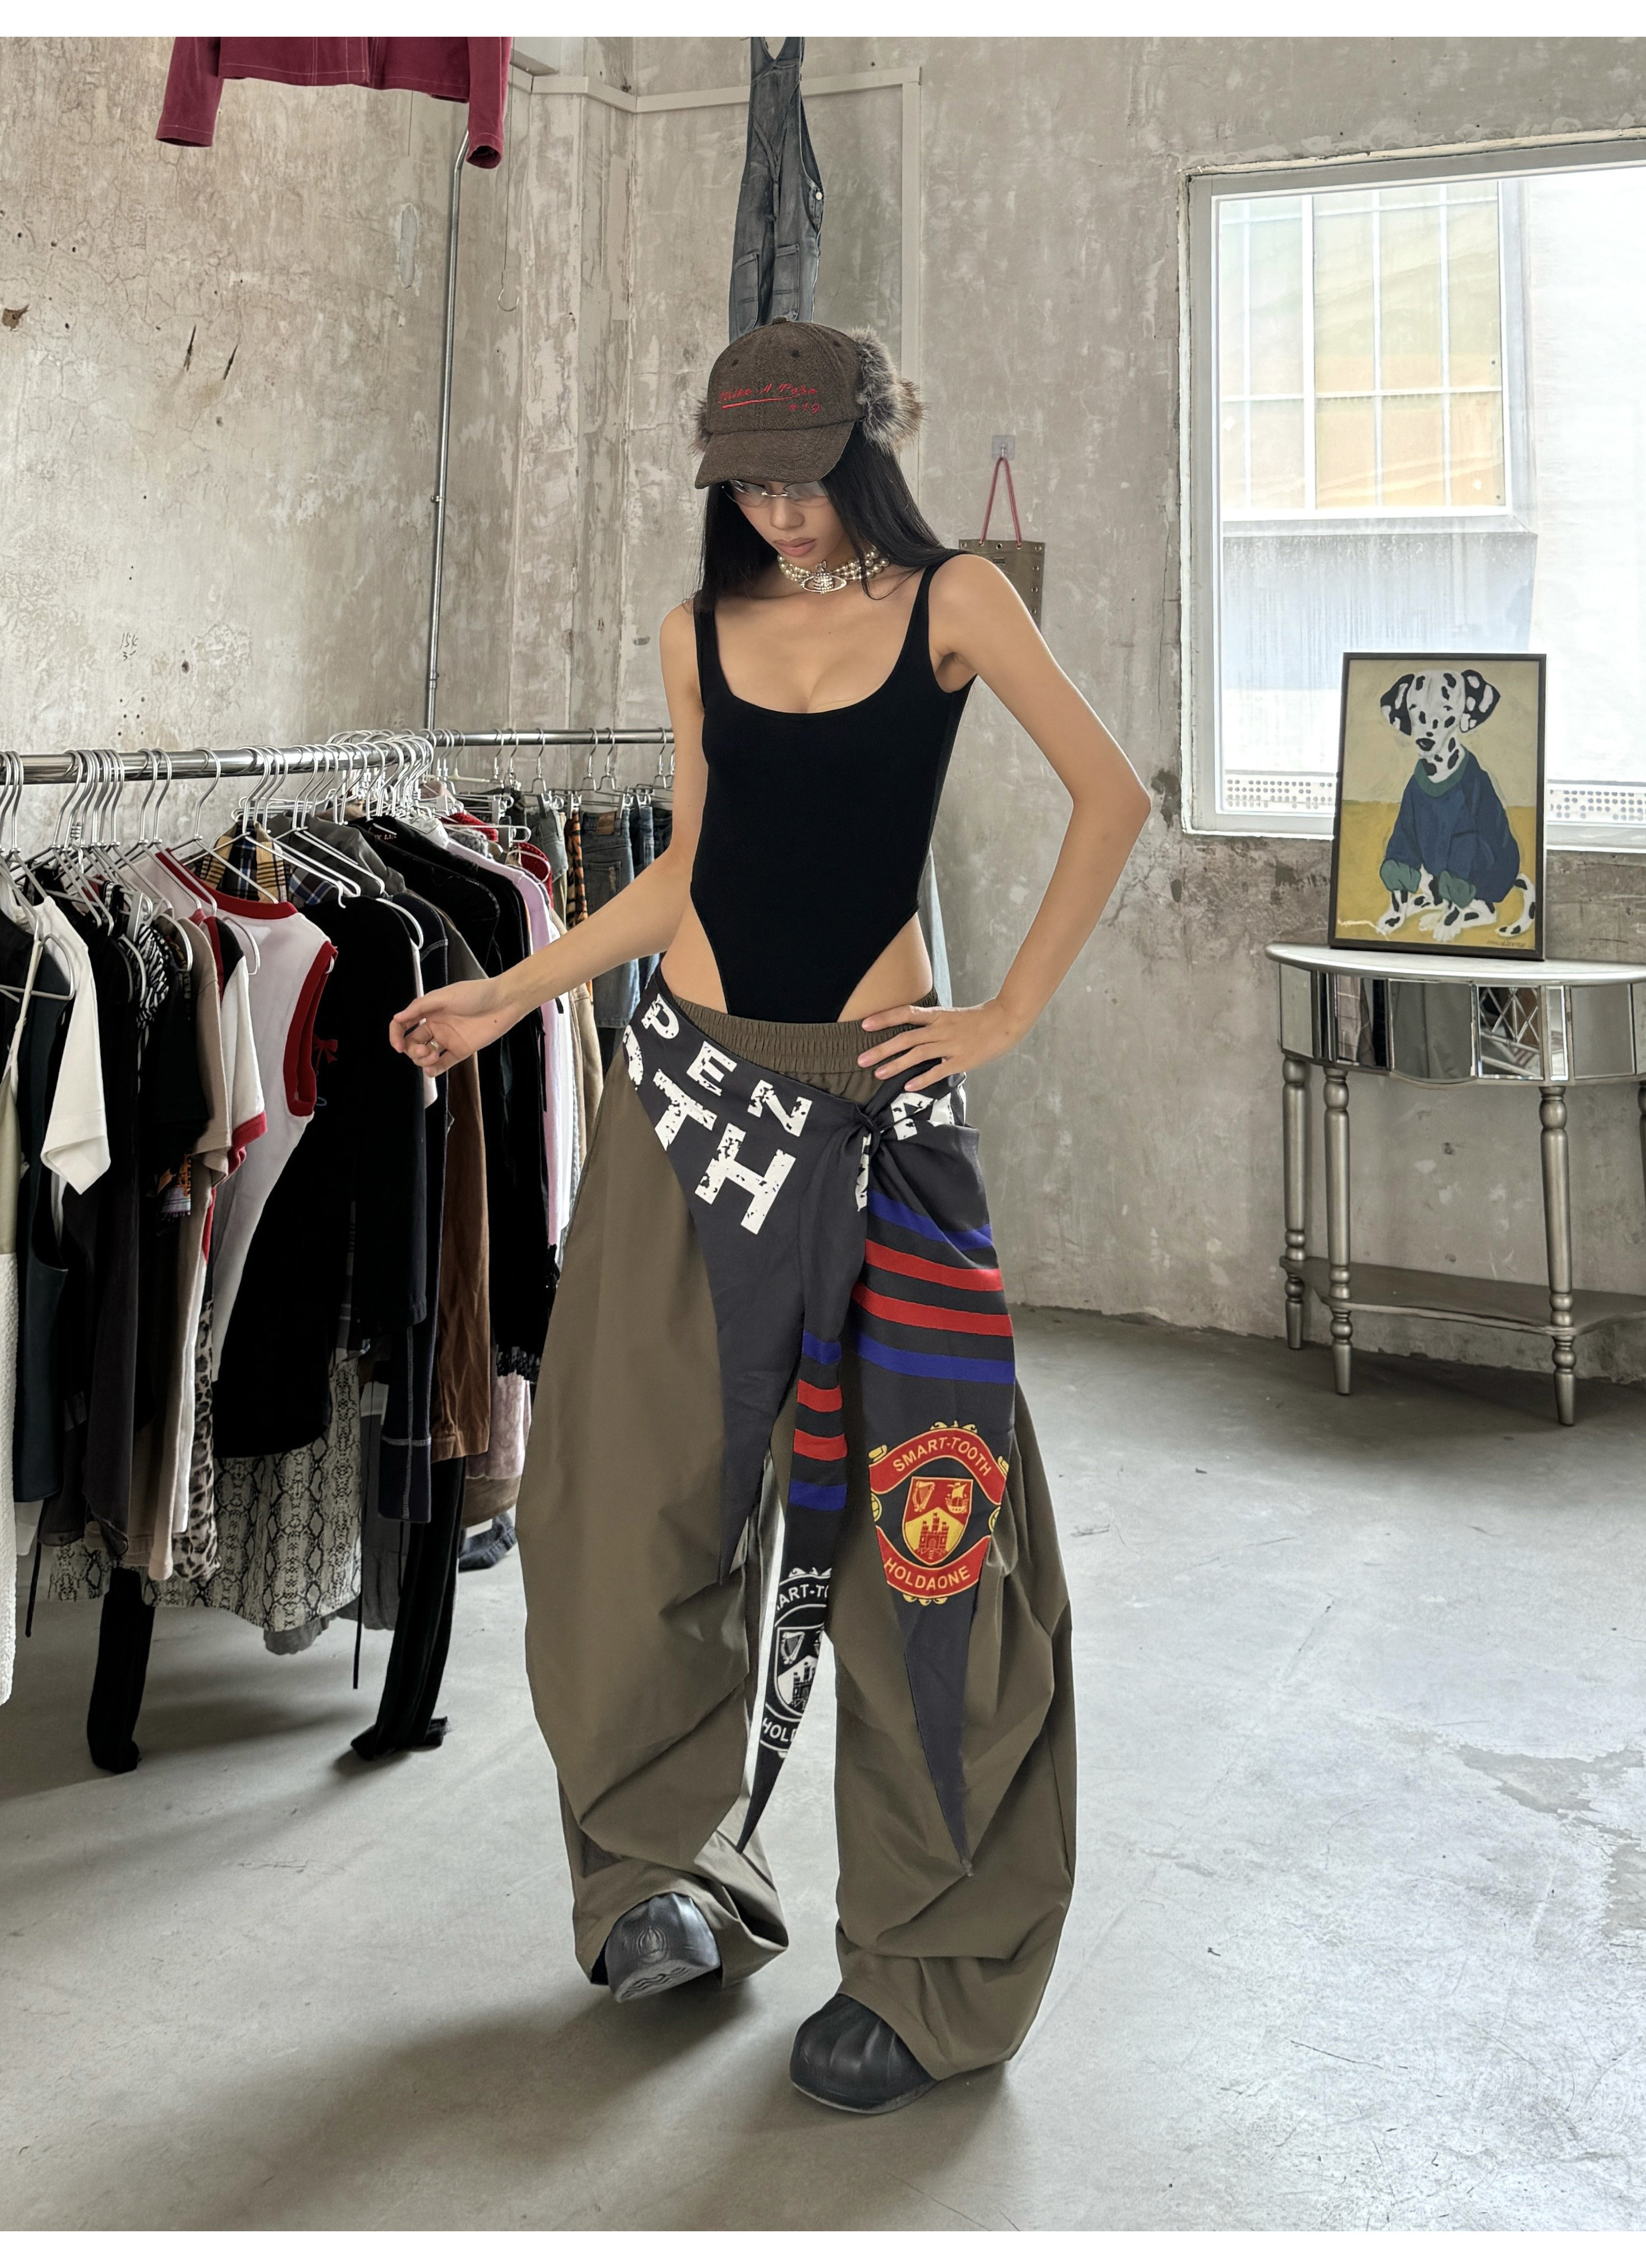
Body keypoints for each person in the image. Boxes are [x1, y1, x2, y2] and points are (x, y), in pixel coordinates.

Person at [389, 319, 1149, 2115]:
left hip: (879, 1112)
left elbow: (1114, 795)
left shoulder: (958, 600)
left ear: (867, 450)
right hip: (689, 1100)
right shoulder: (697, 633)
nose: (782, 515)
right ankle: (661, 1876)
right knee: (621, 1498)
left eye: (807, 480)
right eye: (749, 487)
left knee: (931, 1527)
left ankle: (934, 1967)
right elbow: (685, 871)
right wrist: (510, 991)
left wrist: (1003, 1013)